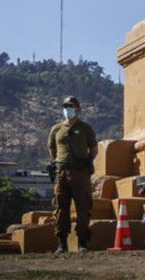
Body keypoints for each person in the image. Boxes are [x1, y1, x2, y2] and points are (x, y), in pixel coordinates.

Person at [47, 96, 98, 254]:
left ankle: (82, 243)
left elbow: (94, 150)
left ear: (78, 109)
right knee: (61, 208)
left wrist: (85, 162)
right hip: (61, 172)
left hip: (80, 173)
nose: (67, 109)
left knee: (83, 207)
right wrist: (60, 162)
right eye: (65, 106)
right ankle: (62, 243)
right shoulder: (56, 129)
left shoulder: (85, 128)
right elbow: (52, 150)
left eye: (71, 106)